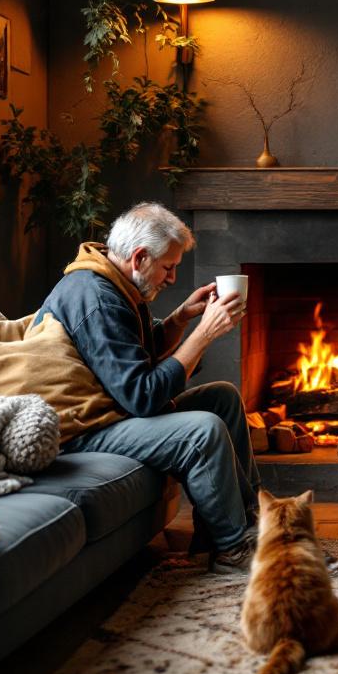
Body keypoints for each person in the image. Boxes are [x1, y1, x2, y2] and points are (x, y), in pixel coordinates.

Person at [35, 202, 259, 572]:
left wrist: (181, 318)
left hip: (108, 409)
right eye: (168, 268)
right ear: (140, 257)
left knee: (222, 398)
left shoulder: (112, 280)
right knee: (201, 431)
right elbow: (143, 396)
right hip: (82, 428)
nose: (171, 279)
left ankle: (238, 531)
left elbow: (132, 359)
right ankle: (235, 549)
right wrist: (203, 335)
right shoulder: (96, 298)